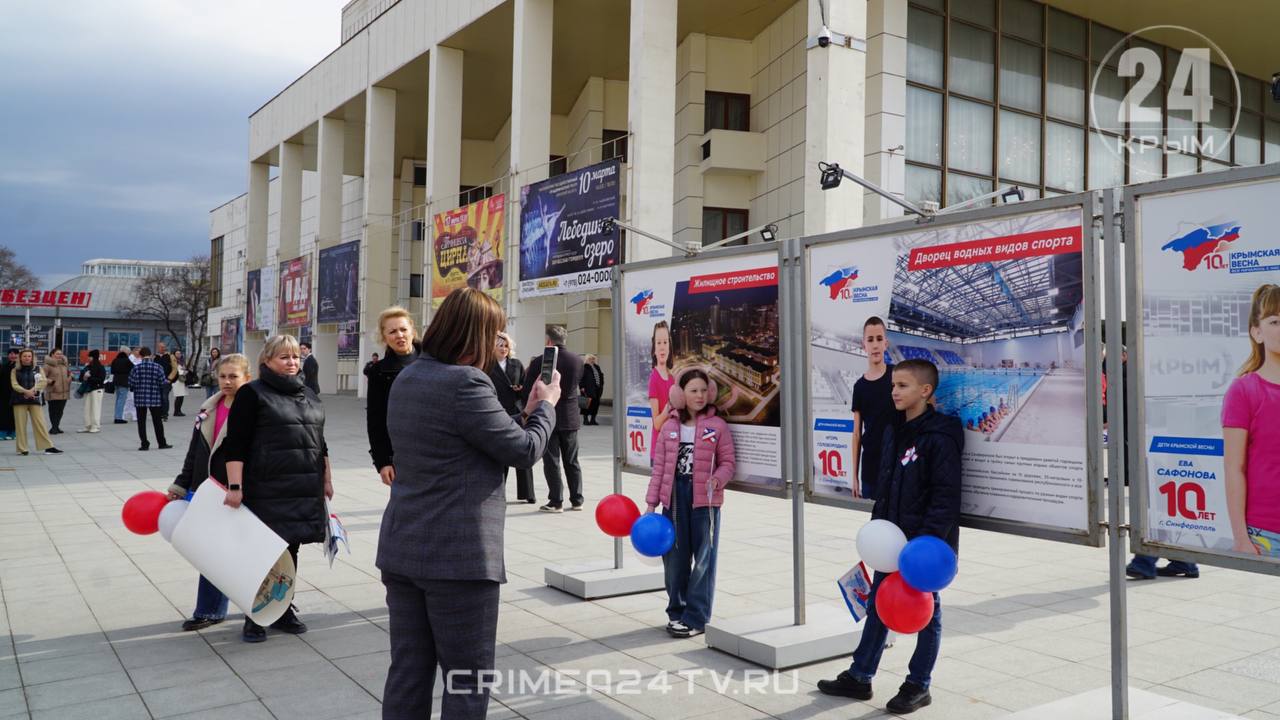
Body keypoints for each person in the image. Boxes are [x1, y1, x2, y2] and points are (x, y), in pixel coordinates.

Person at [378, 287, 558, 719]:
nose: (498, 344)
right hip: (457, 558)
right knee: (466, 679)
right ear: (475, 334)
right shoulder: (465, 382)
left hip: (404, 547)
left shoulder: (410, 375)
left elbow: (469, 437)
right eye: (494, 334)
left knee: (408, 671)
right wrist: (546, 407)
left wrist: (525, 412)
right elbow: (523, 452)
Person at [818, 359, 962, 715]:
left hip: (921, 548)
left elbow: (945, 496)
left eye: (903, 385)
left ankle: (918, 684)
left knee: (927, 613)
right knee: (878, 605)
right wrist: (879, 529)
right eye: (893, 385)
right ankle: (860, 675)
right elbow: (886, 485)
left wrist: (922, 545)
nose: (894, 391)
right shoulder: (893, 429)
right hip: (889, 540)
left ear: (925, 391)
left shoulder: (940, 436)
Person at [222, 334, 331, 643]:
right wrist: (235, 486)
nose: (292, 362)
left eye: (295, 356)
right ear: (266, 360)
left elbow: (319, 441)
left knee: (290, 549)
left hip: (302, 483)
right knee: (262, 552)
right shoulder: (252, 394)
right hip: (265, 486)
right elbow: (236, 443)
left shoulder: (308, 394)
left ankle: (282, 609)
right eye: (284, 357)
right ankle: (254, 613)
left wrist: (327, 478)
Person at [645, 367, 735, 638]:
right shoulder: (670, 426)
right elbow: (659, 468)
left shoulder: (717, 426)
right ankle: (677, 611)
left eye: (703, 390)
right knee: (674, 559)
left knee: (704, 560)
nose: (699, 395)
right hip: (673, 499)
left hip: (705, 501)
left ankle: (696, 618)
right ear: (679, 394)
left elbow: (729, 463)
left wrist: (718, 480)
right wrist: (650, 504)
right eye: (693, 390)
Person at [165, 353, 252, 631]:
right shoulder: (209, 409)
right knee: (210, 552)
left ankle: (261, 608)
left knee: (247, 553)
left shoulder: (254, 408)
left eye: (233, 376)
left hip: (242, 491)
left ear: (246, 378)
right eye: (223, 376)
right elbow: (195, 451)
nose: (227, 382)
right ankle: (209, 610)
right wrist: (182, 484)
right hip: (209, 489)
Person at [1115, 343, 1199, 579]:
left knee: (1154, 504)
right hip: (1163, 447)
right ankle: (1183, 560)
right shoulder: (1166, 375)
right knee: (1159, 504)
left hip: (1158, 448)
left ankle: (1146, 560)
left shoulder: (1140, 377)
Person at [1224, 283, 1280, 558]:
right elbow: (1235, 468)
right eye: (1275, 321)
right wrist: (1240, 538)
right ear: (1257, 332)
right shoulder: (1245, 390)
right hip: (1268, 534)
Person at [525, 325, 585, 512]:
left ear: (548, 341)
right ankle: (577, 499)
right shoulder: (577, 361)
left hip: (547, 415)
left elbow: (529, 389)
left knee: (552, 460)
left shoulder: (539, 362)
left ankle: (556, 501)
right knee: (572, 460)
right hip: (570, 417)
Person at [366, 307, 419, 487]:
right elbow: (375, 419)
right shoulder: (379, 371)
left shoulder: (434, 360)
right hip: (401, 452)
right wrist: (383, 461)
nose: (399, 335)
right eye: (392, 331)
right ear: (384, 336)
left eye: (403, 329)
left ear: (412, 330)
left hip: (437, 450)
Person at [850, 317, 901, 500]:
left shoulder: (897, 375)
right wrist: (854, 476)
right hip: (870, 468)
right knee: (874, 524)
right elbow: (856, 434)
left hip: (897, 464)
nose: (875, 345)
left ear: (885, 343)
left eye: (879, 339)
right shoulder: (860, 387)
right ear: (864, 345)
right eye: (870, 340)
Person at [488, 331, 535, 503]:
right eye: (500, 345)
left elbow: (525, 385)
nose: (503, 348)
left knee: (522, 450)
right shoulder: (487, 365)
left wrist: (520, 389)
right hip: (497, 410)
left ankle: (527, 492)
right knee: (501, 453)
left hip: (516, 410)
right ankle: (499, 491)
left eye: (506, 345)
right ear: (492, 348)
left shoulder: (516, 364)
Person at [11, 348, 63, 455]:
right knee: (20, 425)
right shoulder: (14, 370)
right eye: (24, 356)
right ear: (20, 358)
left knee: (40, 423)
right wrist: (25, 391)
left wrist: (33, 390)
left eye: (29, 356)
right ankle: (22, 449)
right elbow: (14, 384)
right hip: (19, 400)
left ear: (32, 358)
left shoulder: (38, 369)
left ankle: (48, 447)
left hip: (35, 399)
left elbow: (43, 382)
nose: (27, 358)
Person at [128, 347, 171, 451]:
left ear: (141, 356)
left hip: (140, 398)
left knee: (141, 422)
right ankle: (161, 443)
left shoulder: (136, 368)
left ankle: (144, 444)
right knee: (157, 421)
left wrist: (136, 388)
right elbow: (162, 382)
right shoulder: (158, 367)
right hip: (154, 397)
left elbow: (131, 383)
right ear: (151, 355)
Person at [647, 321, 675, 451]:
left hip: (673, 448)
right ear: (654, 348)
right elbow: (657, 424)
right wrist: (669, 407)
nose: (662, 347)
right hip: (659, 451)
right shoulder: (654, 379)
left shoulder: (672, 377)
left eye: (665, 342)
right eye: (659, 343)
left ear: (669, 345)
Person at [41, 348, 71, 435]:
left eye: (61, 354)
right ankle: (54, 427)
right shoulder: (47, 365)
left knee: (60, 411)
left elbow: (67, 375)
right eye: (57, 354)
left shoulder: (64, 365)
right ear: (52, 354)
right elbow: (42, 377)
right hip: (53, 392)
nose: (60, 355)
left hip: (64, 392)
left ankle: (56, 426)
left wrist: (69, 378)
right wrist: (51, 382)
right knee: (53, 411)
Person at [78, 349, 106, 432]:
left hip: (96, 390)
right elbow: (80, 378)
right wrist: (84, 377)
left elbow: (101, 379)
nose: (89, 358)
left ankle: (95, 426)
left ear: (93, 357)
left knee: (95, 408)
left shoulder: (100, 367)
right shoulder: (87, 367)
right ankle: (87, 425)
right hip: (88, 389)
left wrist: (89, 377)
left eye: (90, 356)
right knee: (87, 408)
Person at [111, 346, 134, 423]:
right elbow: (133, 369)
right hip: (124, 382)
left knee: (118, 400)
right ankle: (118, 418)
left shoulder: (115, 360)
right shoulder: (127, 361)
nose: (129, 354)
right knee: (122, 400)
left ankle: (116, 416)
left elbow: (112, 371)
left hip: (116, 382)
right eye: (128, 353)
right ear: (126, 353)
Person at [580, 353, 604, 425]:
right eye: (591, 359)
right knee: (587, 404)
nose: (593, 360)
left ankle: (593, 420)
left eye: (593, 359)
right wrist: (581, 387)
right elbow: (581, 378)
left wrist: (602, 384)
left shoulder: (597, 367)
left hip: (597, 389)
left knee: (596, 404)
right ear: (587, 359)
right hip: (587, 389)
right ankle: (585, 420)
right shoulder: (584, 367)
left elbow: (601, 376)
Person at [156, 341, 176, 421]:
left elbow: (175, 369)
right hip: (157, 381)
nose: (163, 348)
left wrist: (169, 379)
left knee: (164, 397)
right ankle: (159, 413)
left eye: (164, 347)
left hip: (166, 381)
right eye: (161, 347)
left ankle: (165, 414)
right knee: (159, 398)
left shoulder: (170, 356)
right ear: (158, 348)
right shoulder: (155, 357)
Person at [0, 349, 16, 441]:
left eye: (14, 354)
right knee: (3, 413)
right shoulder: (4, 366)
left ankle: (12, 432)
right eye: (10, 354)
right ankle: (3, 432)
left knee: (13, 414)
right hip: (3, 394)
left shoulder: (19, 367)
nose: (12, 355)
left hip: (15, 394)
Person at [123, 348, 141, 423]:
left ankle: (134, 415)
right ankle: (124, 413)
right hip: (131, 381)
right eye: (137, 350)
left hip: (139, 381)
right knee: (130, 398)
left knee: (135, 399)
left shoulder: (141, 359)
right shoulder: (130, 359)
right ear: (133, 351)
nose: (139, 352)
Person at [171, 349, 188, 416]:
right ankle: (176, 411)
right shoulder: (174, 361)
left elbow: (184, 369)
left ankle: (179, 410)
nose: (178, 355)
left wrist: (185, 371)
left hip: (182, 380)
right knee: (178, 396)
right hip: (177, 380)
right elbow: (175, 370)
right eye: (177, 353)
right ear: (174, 354)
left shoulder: (182, 361)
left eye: (179, 353)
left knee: (181, 396)